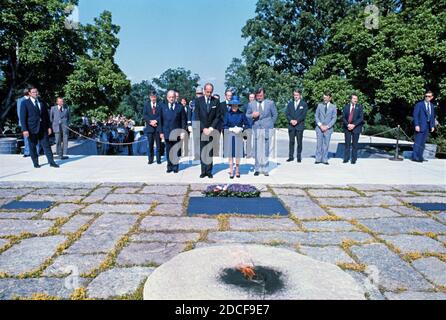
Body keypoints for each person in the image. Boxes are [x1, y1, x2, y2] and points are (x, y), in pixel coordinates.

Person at [20, 87, 59, 168]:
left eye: (36, 92)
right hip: (31, 129)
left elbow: (46, 116)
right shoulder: (24, 103)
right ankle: (35, 163)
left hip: (43, 128)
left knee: (47, 146)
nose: (35, 93)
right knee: (32, 146)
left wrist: (49, 127)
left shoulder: (42, 102)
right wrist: (25, 130)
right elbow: (22, 117)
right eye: (33, 92)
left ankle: (52, 162)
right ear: (29, 93)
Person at [246, 87, 278, 176]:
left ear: (264, 95)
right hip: (256, 128)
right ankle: (257, 168)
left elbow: (275, 114)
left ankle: (265, 168)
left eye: (261, 95)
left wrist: (271, 124)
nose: (259, 97)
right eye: (257, 96)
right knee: (257, 149)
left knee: (265, 149)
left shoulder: (270, 103)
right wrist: (252, 115)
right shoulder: (251, 104)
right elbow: (247, 114)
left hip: (267, 129)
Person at [194, 83, 222, 178]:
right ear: (204, 91)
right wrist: (203, 128)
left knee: (209, 151)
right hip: (201, 130)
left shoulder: (216, 101)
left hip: (211, 130)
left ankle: (209, 171)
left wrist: (211, 128)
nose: (209, 94)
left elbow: (218, 116)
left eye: (210, 92)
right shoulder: (198, 101)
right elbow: (196, 116)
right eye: (207, 92)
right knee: (203, 150)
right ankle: (203, 171)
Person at [223, 96, 251, 178]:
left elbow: (247, 125)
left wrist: (241, 128)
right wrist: (230, 129)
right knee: (230, 154)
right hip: (230, 135)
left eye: (236, 105)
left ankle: (238, 170)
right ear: (231, 105)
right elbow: (224, 125)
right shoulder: (227, 114)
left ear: (238, 106)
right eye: (233, 105)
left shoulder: (241, 114)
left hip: (239, 135)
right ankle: (231, 170)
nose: (234, 107)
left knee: (238, 154)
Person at [160, 90, 187, 173]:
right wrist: (161, 133)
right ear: (167, 98)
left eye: (173, 97)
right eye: (170, 97)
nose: (171, 99)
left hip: (177, 132)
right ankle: (169, 166)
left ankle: (175, 166)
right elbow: (160, 120)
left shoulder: (180, 107)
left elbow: (183, 120)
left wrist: (183, 131)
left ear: (175, 97)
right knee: (168, 150)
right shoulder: (162, 107)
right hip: (167, 132)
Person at [412, 90, 436, 162]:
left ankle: (420, 157)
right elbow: (415, 115)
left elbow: (432, 117)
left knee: (423, 143)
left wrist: (432, 126)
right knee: (418, 142)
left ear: (432, 97)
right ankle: (415, 157)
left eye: (429, 96)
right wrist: (416, 125)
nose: (427, 97)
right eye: (426, 96)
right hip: (420, 126)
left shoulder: (431, 106)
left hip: (427, 127)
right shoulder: (419, 104)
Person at [285, 89, 308, 163]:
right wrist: (291, 120)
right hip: (291, 126)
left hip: (299, 126)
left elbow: (303, 115)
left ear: (300, 96)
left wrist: (297, 121)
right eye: (294, 95)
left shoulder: (304, 104)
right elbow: (287, 114)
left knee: (299, 142)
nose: (295, 96)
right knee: (291, 142)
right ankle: (290, 157)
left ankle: (299, 157)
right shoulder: (290, 104)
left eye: (297, 95)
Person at [315, 92, 337, 165]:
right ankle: (318, 159)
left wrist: (327, 126)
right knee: (319, 144)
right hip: (319, 128)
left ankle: (325, 159)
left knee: (326, 144)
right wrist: (320, 125)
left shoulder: (333, 107)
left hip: (328, 129)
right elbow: (316, 116)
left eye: (326, 97)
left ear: (330, 98)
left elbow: (334, 118)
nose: (324, 98)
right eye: (324, 97)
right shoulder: (319, 105)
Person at [342, 94, 364, 164]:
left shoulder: (360, 107)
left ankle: (354, 159)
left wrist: (354, 125)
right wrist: (348, 124)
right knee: (347, 144)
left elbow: (361, 118)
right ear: (351, 99)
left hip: (356, 128)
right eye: (354, 98)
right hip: (347, 128)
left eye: (356, 99)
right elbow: (343, 117)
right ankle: (346, 158)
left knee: (355, 144)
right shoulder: (346, 107)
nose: (355, 100)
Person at [143, 90, 162, 164]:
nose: (153, 98)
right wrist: (150, 122)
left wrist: (156, 121)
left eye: (154, 97)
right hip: (149, 128)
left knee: (158, 145)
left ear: (156, 97)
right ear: (150, 97)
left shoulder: (160, 104)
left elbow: (161, 115)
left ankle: (158, 159)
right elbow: (145, 115)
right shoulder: (146, 105)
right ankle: (150, 159)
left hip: (157, 127)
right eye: (152, 97)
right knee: (150, 144)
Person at [17, 88, 31, 157]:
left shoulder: (32, 100)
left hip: (32, 122)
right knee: (26, 138)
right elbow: (19, 113)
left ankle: (35, 152)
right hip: (24, 122)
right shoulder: (20, 100)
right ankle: (27, 152)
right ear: (28, 93)